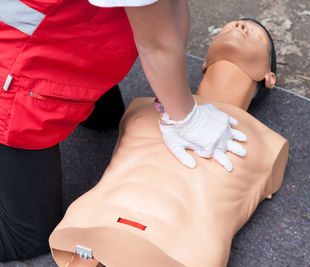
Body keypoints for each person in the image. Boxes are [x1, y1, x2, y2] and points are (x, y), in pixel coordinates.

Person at [0, 0, 244, 262]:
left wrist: (172, 102)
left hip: (65, 35)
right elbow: (157, 44)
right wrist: (186, 118)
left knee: (108, 118)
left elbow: (172, 7)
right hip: (14, 64)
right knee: (26, 239)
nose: (242, 29)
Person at [49, 19, 288, 267]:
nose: (239, 26)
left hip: (179, 251)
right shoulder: (143, 108)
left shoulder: (268, 143)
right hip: (92, 229)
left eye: (256, 35)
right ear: (204, 63)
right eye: (227, 27)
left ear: (269, 77)